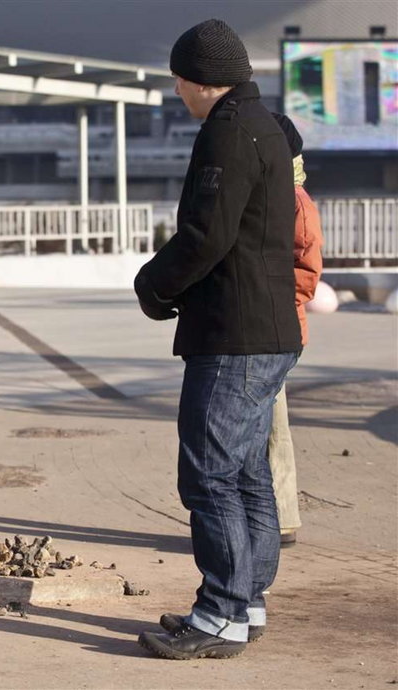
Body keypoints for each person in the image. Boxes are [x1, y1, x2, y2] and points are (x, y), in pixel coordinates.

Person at [133, 19, 301, 660]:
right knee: (247, 472)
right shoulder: (266, 127)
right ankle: (245, 601)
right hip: (268, 329)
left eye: (180, 79)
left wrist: (153, 284)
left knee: (207, 474)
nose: (178, 90)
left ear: (198, 80)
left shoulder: (227, 134)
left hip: (234, 335)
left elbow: (207, 235)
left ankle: (220, 615)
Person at [268, 113, 323, 549]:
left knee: (271, 425)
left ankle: (281, 517)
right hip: (273, 325)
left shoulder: (295, 202)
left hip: (277, 329)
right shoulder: (280, 196)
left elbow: (306, 275)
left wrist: (272, 305)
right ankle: (275, 516)